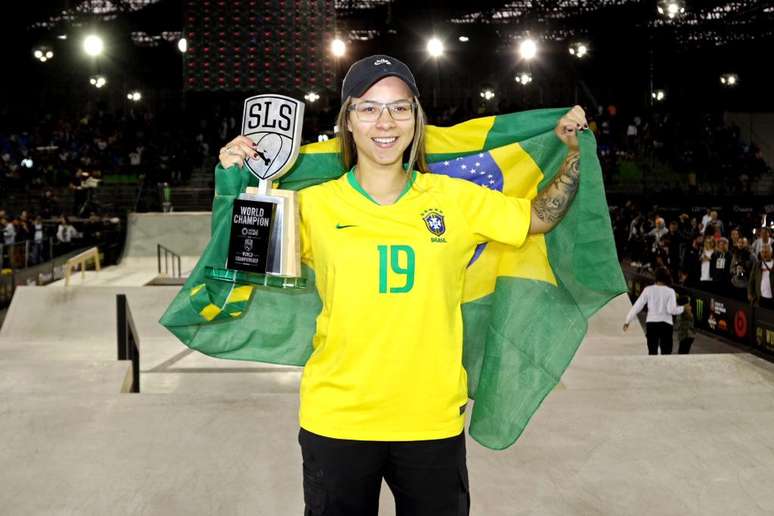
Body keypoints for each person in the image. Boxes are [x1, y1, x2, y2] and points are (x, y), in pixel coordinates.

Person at [218, 54, 588, 516]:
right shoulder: (312, 206)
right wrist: (237, 181)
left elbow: (537, 217)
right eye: (368, 108)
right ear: (347, 122)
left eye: (399, 108)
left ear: (417, 120)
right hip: (338, 420)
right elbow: (242, 262)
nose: (385, 121)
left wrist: (572, 154)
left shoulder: (455, 198)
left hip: (430, 421)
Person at [623, 266, 687, 355]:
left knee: (652, 352)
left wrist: (627, 320)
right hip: (666, 325)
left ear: (656, 277)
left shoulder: (648, 290)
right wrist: (683, 308)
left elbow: (637, 306)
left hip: (651, 324)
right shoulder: (670, 291)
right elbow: (671, 310)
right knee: (666, 353)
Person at [748, 244, 774, 310]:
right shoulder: (757, 265)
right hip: (760, 299)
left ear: (771, 252)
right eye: (762, 252)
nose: (764, 254)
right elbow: (751, 280)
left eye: (766, 252)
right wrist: (750, 293)